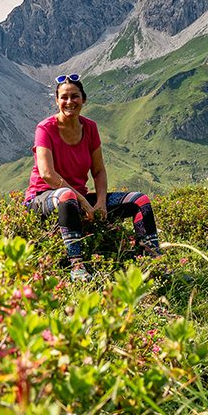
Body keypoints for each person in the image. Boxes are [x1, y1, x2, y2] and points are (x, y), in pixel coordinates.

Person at [24, 74, 163, 280]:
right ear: (56, 101)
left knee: (140, 201)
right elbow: (47, 174)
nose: (69, 102)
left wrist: (100, 203)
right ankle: (77, 267)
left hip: (77, 199)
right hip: (42, 198)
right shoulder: (45, 128)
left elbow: (98, 171)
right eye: (64, 97)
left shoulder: (90, 128)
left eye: (75, 96)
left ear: (83, 99)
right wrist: (84, 203)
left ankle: (154, 262)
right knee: (66, 197)